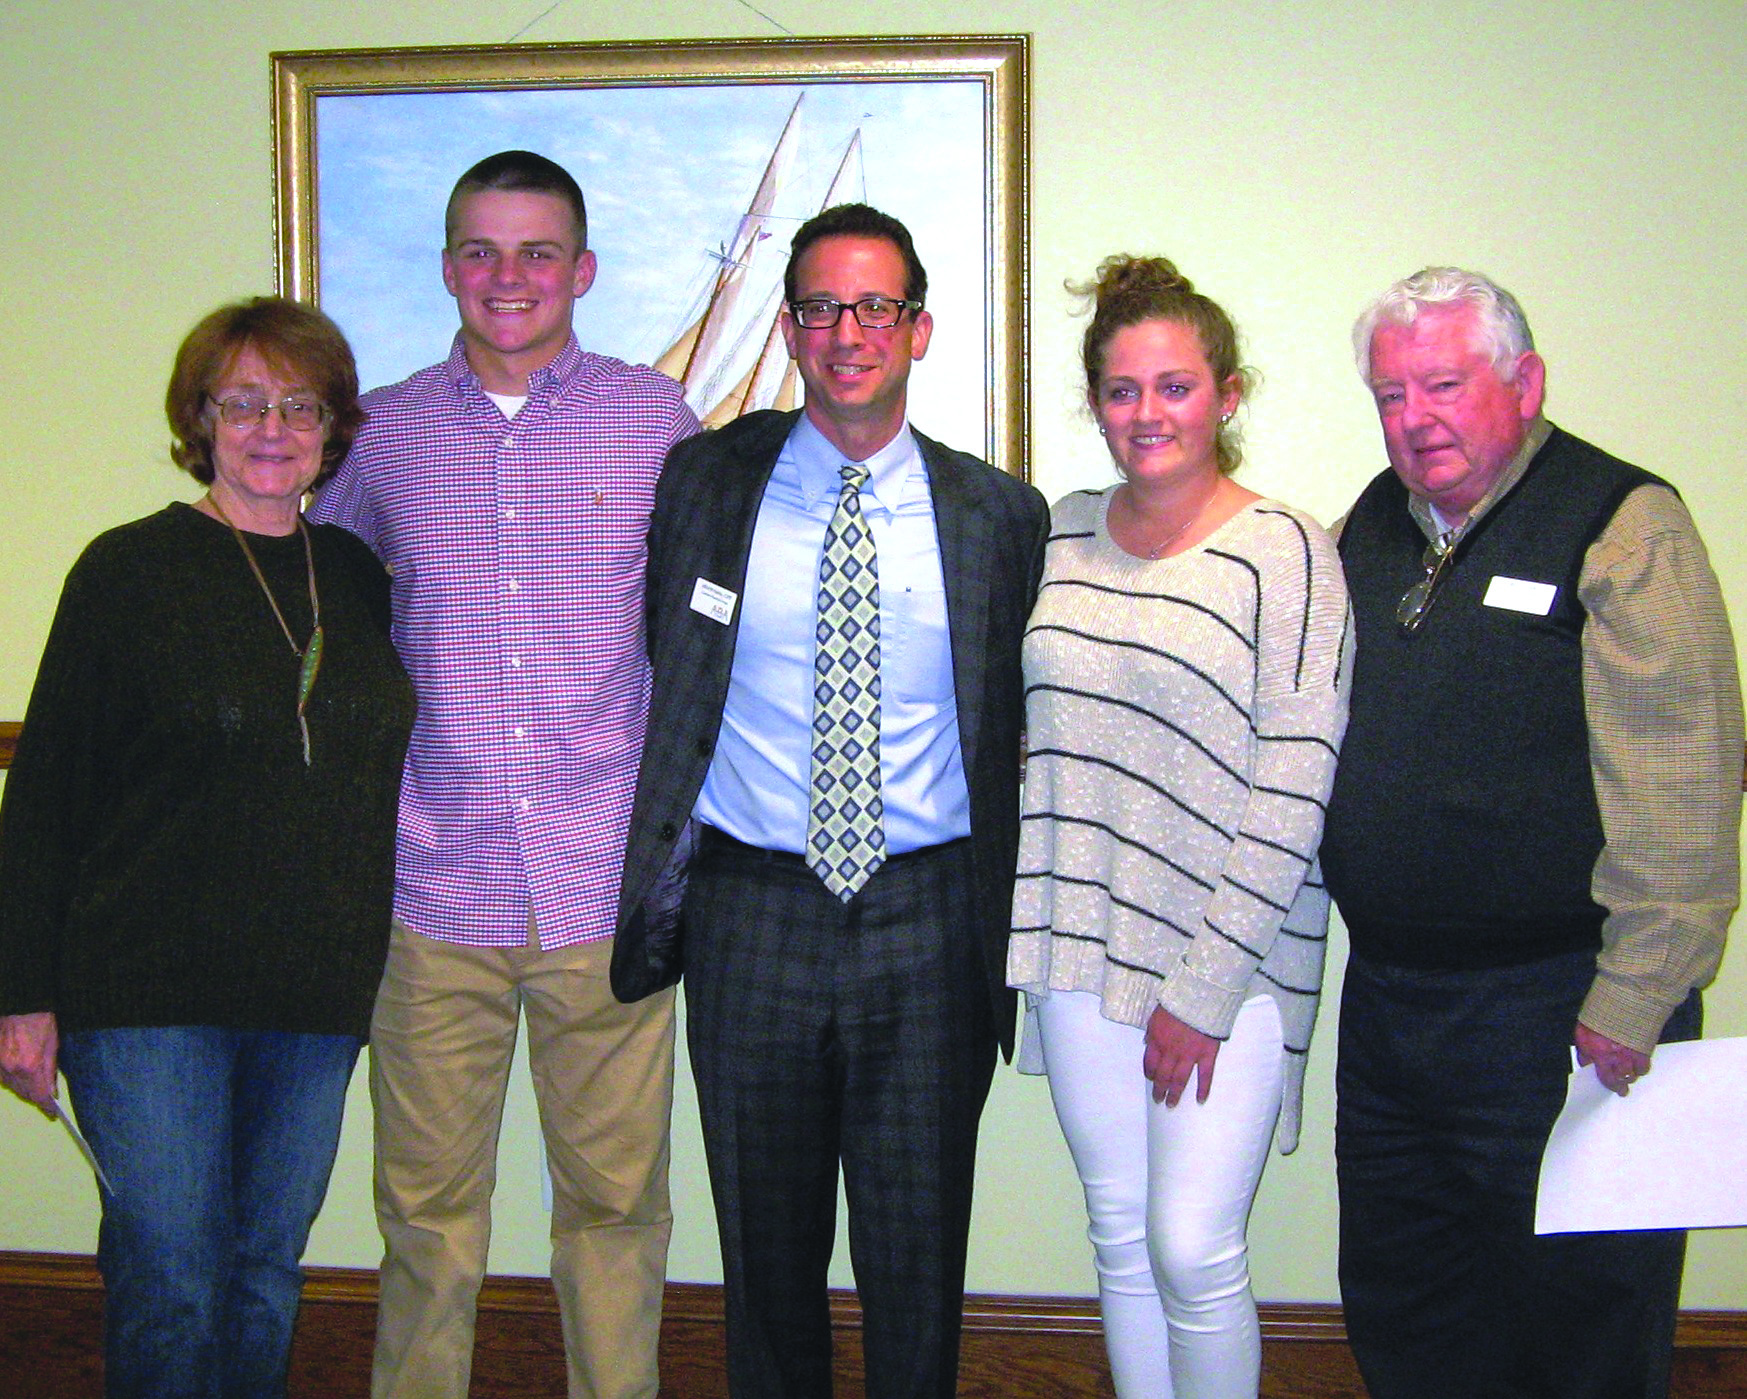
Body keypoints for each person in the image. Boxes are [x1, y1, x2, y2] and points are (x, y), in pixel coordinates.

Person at [612, 202, 1049, 1398]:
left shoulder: (998, 515)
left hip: (927, 919)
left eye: (874, 306)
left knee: (917, 1255)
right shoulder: (706, 481)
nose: (845, 331)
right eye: (818, 306)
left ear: (918, 329)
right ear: (791, 324)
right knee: (764, 1256)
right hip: (751, 911)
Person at [305, 151, 700, 1399]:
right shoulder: (385, 436)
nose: (508, 276)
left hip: (604, 891)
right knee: (425, 1213)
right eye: (481, 250)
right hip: (432, 890)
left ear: (582, 270)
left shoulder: (658, 423)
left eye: (537, 252)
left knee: (617, 1203)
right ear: (446, 270)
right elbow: (320, 608)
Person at [1321, 266, 1742, 1399]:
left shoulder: (1620, 526)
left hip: (1561, 1011)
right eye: (1390, 395)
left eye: (1444, 384)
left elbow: (1687, 781)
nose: (1416, 418)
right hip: (1397, 1010)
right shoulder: (1366, 525)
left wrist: (1635, 993)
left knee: (1577, 1328)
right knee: (1407, 1309)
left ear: (1525, 381)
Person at [0, 296, 414, 1397]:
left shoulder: (358, 576)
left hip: (313, 994)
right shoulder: (128, 571)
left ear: (332, 425)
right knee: (173, 1274)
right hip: (147, 998)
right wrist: (20, 993)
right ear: (201, 418)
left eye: (298, 404)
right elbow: (45, 794)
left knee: (266, 1273)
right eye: (243, 403)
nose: (271, 427)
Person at [1006, 256, 1351, 1399]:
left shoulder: (1287, 552)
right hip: (1073, 940)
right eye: (1120, 389)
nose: (1146, 413)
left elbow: (1296, 787)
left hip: (1227, 966)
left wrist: (1199, 990)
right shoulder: (1056, 534)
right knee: (1117, 1234)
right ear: (1094, 400)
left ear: (1228, 395)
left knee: (1193, 1251)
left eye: (1175, 386)